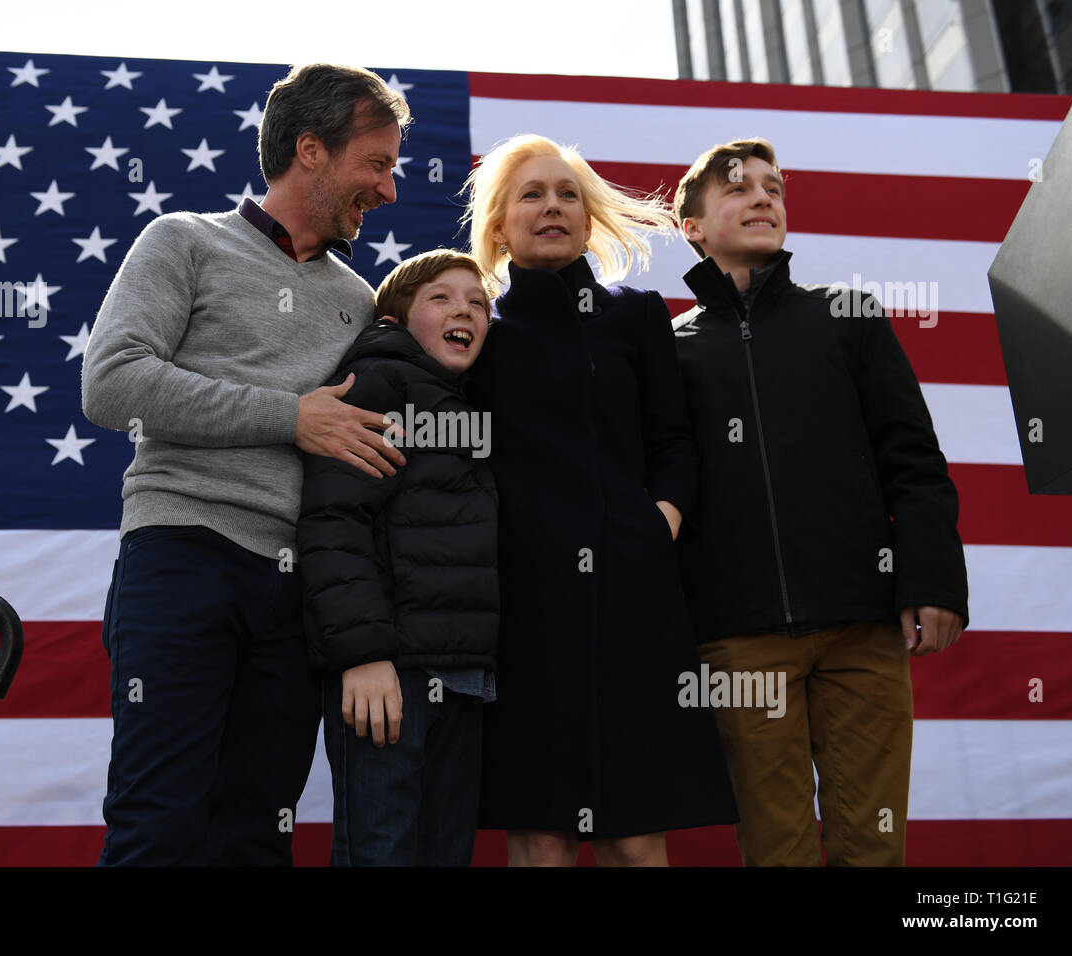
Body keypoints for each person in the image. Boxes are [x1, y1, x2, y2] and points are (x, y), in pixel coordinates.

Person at [80, 63, 410, 866]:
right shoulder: (182, 241)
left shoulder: (361, 303)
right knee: (157, 822)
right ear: (310, 151)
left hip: (296, 595)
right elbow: (111, 383)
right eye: (377, 163)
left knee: (259, 834)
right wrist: (288, 416)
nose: (390, 189)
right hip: (180, 556)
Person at [670, 137, 969, 866]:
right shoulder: (668, 347)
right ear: (694, 227)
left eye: (774, 188)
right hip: (739, 637)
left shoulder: (850, 316)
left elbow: (915, 460)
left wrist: (932, 580)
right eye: (740, 189)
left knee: (873, 843)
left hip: (862, 627)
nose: (764, 199)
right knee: (777, 847)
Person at [461, 134, 738, 867]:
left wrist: (656, 526)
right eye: (532, 194)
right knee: (542, 838)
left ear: (588, 219)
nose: (552, 206)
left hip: (632, 600)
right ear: (498, 225)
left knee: (635, 838)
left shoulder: (637, 315)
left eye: (567, 194)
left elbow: (675, 446)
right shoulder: (476, 331)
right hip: (522, 610)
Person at [297, 249, 499, 866]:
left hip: (462, 678)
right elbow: (335, 521)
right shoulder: (380, 384)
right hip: (391, 681)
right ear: (396, 316)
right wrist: (364, 655)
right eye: (441, 297)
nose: (463, 309)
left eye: (478, 303)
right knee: (380, 854)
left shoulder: (464, 404)